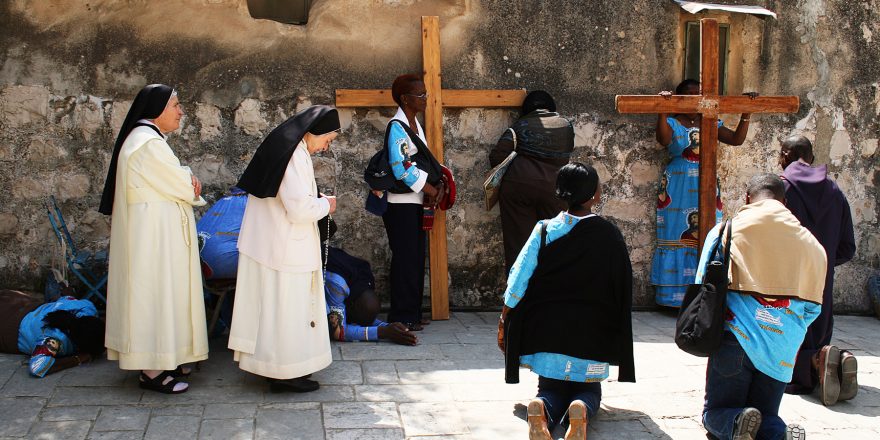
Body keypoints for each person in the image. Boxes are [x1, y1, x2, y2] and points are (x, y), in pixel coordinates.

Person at [499, 163, 635, 440]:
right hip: (592, 335)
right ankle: (581, 407)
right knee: (589, 388)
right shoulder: (609, 235)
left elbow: (518, 278)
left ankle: (542, 407)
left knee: (549, 387)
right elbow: (623, 284)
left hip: (547, 333)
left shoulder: (545, 230)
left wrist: (505, 318)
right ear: (594, 195)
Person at [698, 173, 826, 440]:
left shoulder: (725, 231)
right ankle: (779, 433)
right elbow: (813, 309)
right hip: (782, 348)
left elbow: (702, 285)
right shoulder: (812, 245)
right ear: (785, 202)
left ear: (748, 197)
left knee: (716, 413)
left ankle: (736, 421)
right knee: (767, 416)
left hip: (735, 340)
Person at [99, 84, 208, 394]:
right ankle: (152, 371)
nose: (181, 112)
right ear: (158, 109)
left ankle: (166, 358)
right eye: (176, 105)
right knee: (154, 297)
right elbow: (185, 186)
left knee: (161, 296)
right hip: (152, 241)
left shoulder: (146, 141)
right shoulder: (148, 144)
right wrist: (189, 180)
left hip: (154, 237)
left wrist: (185, 178)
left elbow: (179, 180)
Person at [230, 105, 339, 393]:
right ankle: (283, 373)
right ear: (313, 132)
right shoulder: (293, 156)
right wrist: (326, 205)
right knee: (286, 309)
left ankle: (277, 368)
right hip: (282, 247)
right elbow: (300, 209)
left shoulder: (291, 149)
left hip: (274, 244)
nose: (326, 148)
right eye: (327, 140)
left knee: (276, 310)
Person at [650, 79, 754, 307]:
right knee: (677, 233)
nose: (695, 98)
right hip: (677, 185)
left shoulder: (710, 121)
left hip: (706, 180)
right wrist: (662, 108)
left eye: (698, 94)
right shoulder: (671, 122)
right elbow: (663, 139)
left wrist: (746, 113)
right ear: (680, 97)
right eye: (688, 95)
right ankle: (674, 299)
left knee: (707, 233)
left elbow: (736, 140)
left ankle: (705, 296)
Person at [779, 135, 857, 405]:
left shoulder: (780, 190)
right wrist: (821, 264)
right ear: (811, 157)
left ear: (785, 156)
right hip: (822, 280)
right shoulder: (835, 191)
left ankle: (814, 362)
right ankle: (832, 359)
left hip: (785, 279)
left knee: (785, 332)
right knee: (817, 328)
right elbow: (847, 247)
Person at [374, 73, 446, 331]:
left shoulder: (416, 125)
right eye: (421, 95)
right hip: (400, 204)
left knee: (416, 258)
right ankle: (400, 316)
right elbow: (401, 167)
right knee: (404, 258)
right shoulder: (397, 127)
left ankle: (412, 314)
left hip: (415, 202)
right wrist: (429, 187)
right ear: (405, 99)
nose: (426, 99)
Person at [488, 91, 574, 275]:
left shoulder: (519, 127)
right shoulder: (566, 126)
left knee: (519, 246)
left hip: (518, 188)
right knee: (556, 242)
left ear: (526, 109)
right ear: (551, 108)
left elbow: (496, 157)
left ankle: (519, 298)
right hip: (555, 189)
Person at [324, 247, 418, 346]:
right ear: (350, 305)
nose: (357, 324)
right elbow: (338, 332)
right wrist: (384, 332)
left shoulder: (366, 276)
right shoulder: (337, 287)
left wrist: (392, 328)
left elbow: (365, 319)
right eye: (357, 322)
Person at [0, 290, 104, 377]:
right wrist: (78, 359)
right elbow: (37, 368)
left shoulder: (86, 307)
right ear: (79, 346)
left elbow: (67, 297)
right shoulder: (53, 340)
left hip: (17, 305)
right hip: (7, 328)